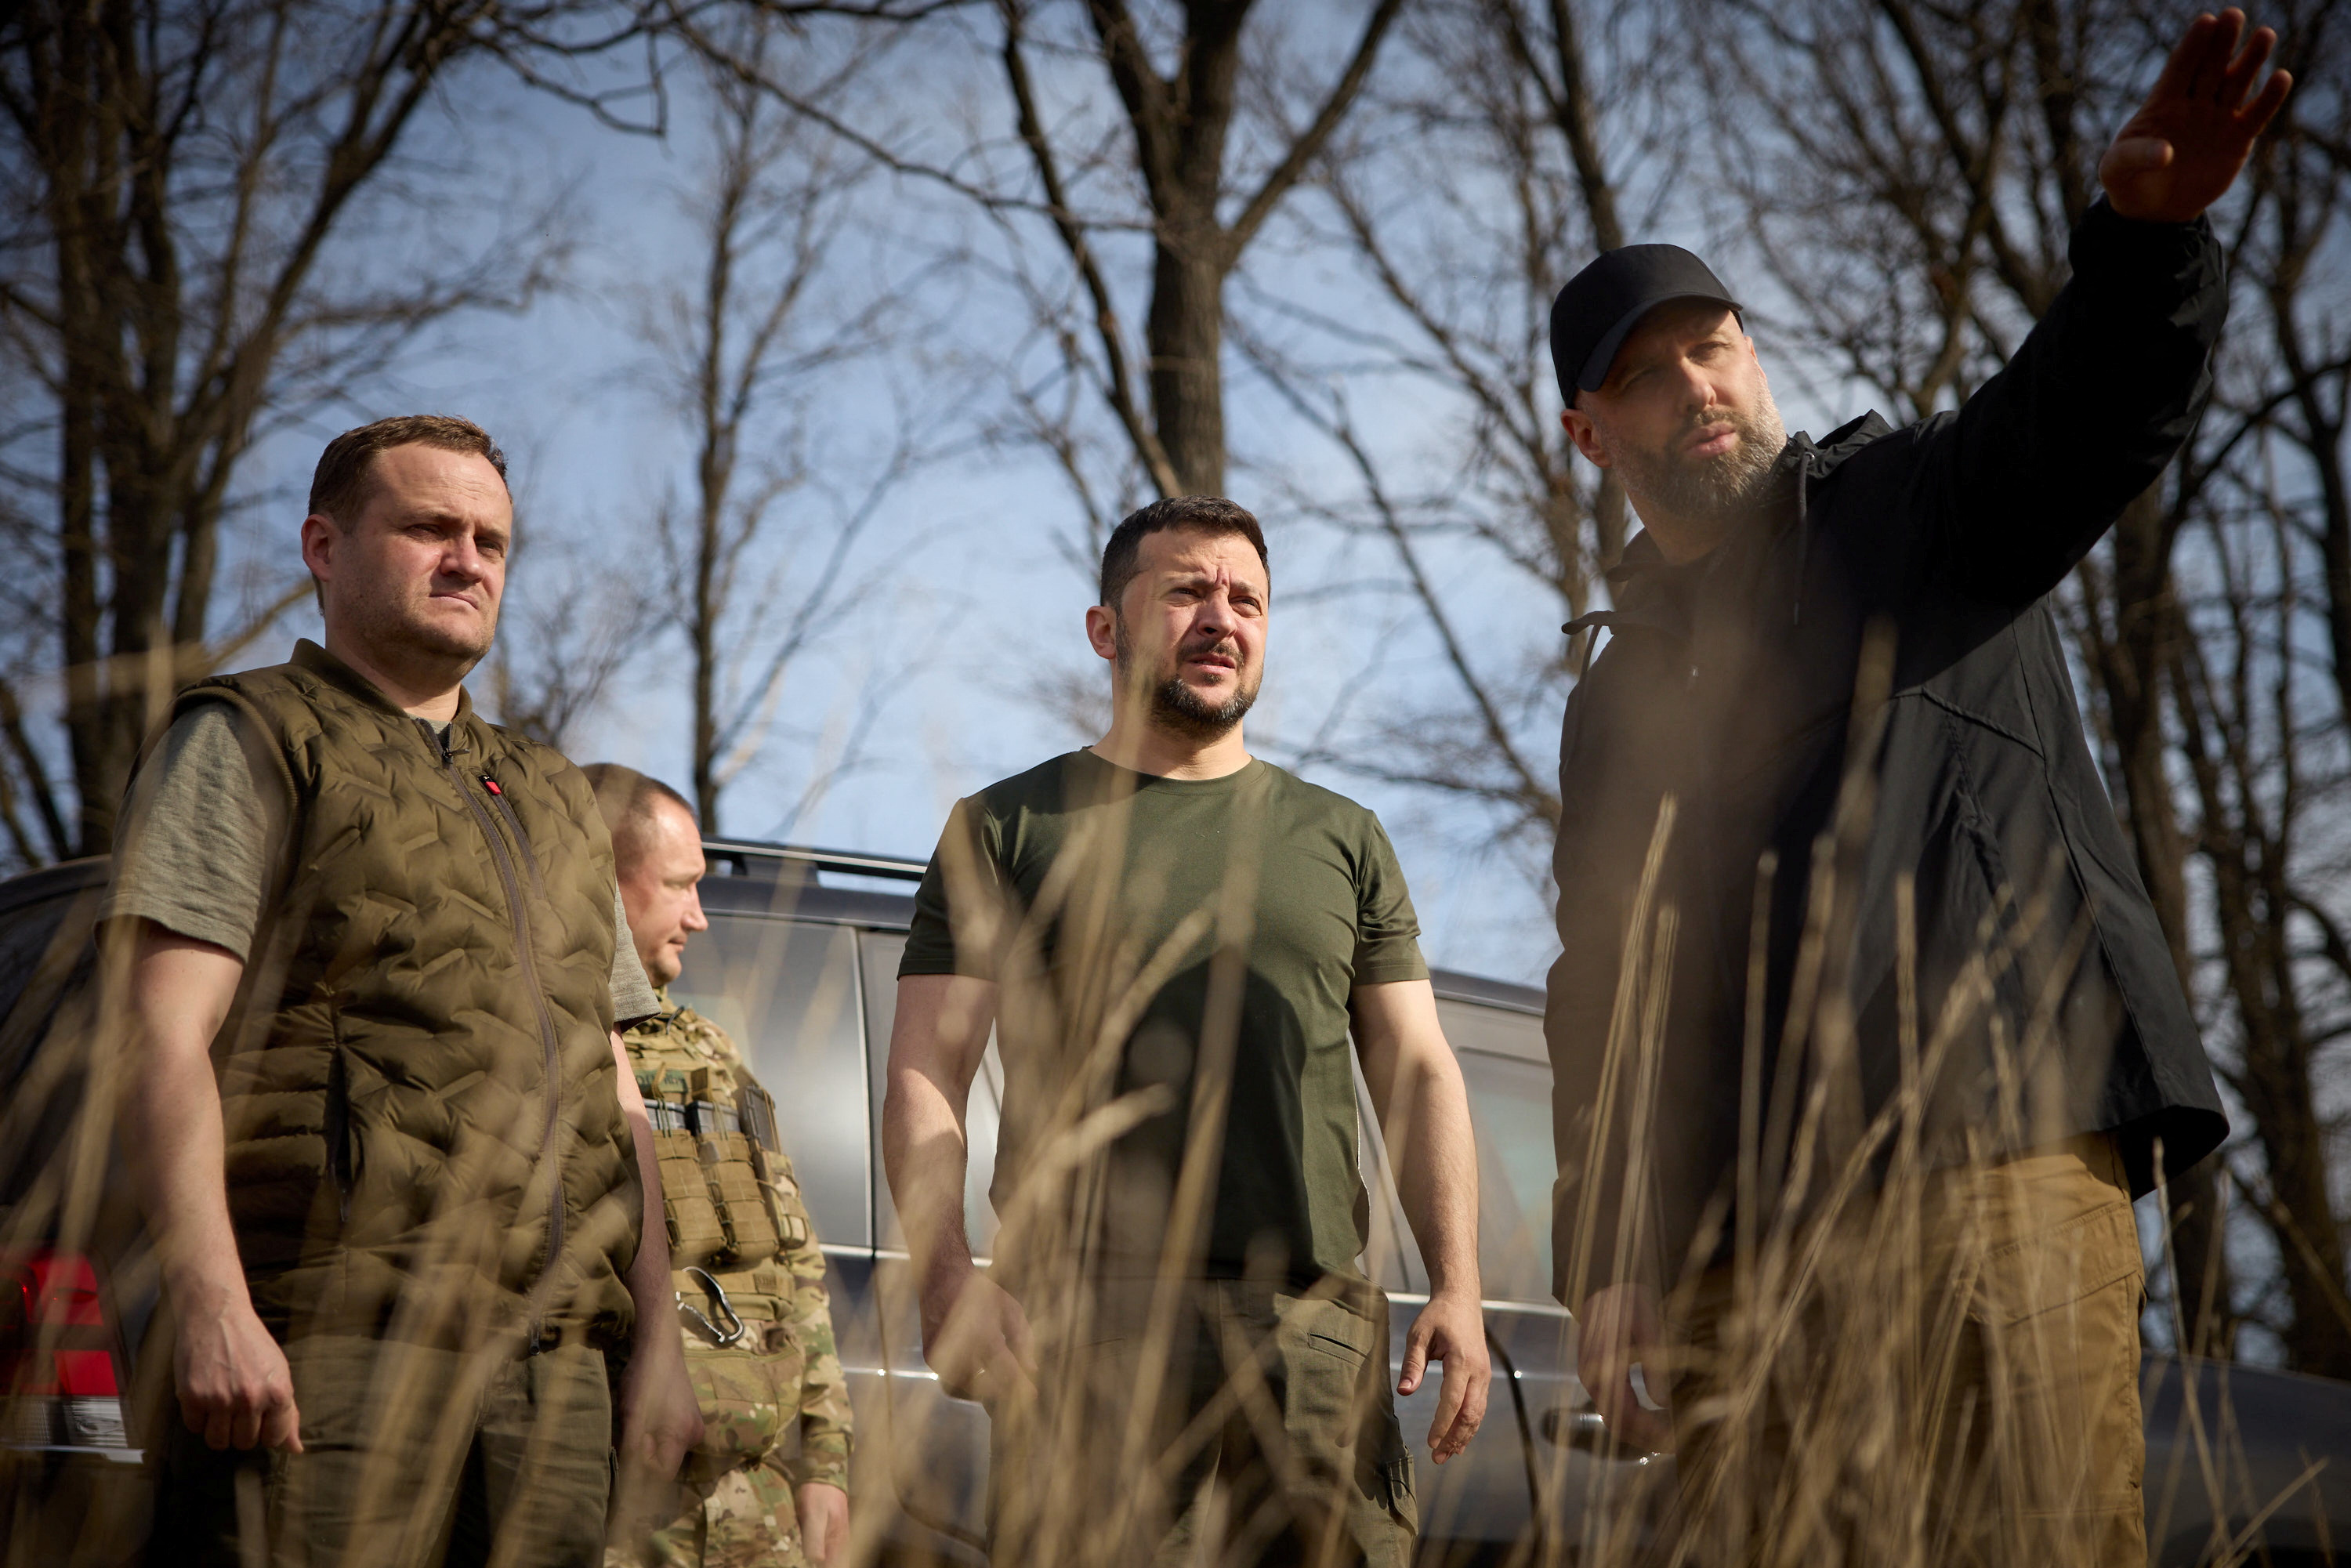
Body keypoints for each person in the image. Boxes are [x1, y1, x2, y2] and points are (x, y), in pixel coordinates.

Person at [1543, 12, 2290, 1566]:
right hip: (1743, 1262)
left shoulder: (1908, 513)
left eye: (1713, 345)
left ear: (1752, 352)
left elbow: (2086, 416)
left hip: (1985, 1171)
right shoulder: (1618, 700)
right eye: (1646, 375)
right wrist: (1609, 1249)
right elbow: (1603, 984)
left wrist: (2146, 246)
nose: (1697, 386)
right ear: (1588, 432)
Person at [109, 415, 702, 1566]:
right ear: (324, 548)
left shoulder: (554, 793)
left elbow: (616, 1086)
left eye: (491, 540)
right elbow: (159, 1036)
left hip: (556, 1379)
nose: (467, 560)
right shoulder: (250, 737)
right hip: (331, 1354)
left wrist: (659, 1343)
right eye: (430, 527)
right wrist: (216, 1306)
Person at [883, 494, 1490, 1567]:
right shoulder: (1006, 827)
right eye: (1186, 592)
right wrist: (944, 1276)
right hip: (1084, 1328)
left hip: (1314, 1333)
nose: (1222, 618)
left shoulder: (1343, 838)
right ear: (1105, 628)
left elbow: (1419, 1068)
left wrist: (1459, 1282)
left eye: (1247, 600)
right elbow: (927, 1069)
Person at [585, 763, 853, 1568]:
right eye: (680, 885)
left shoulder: (710, 1053)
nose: (700, 917)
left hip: (754, 1508)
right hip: (617, 1508)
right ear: (603, 882)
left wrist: (825, 1460)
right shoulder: (547, 1051)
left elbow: (795, 1262)